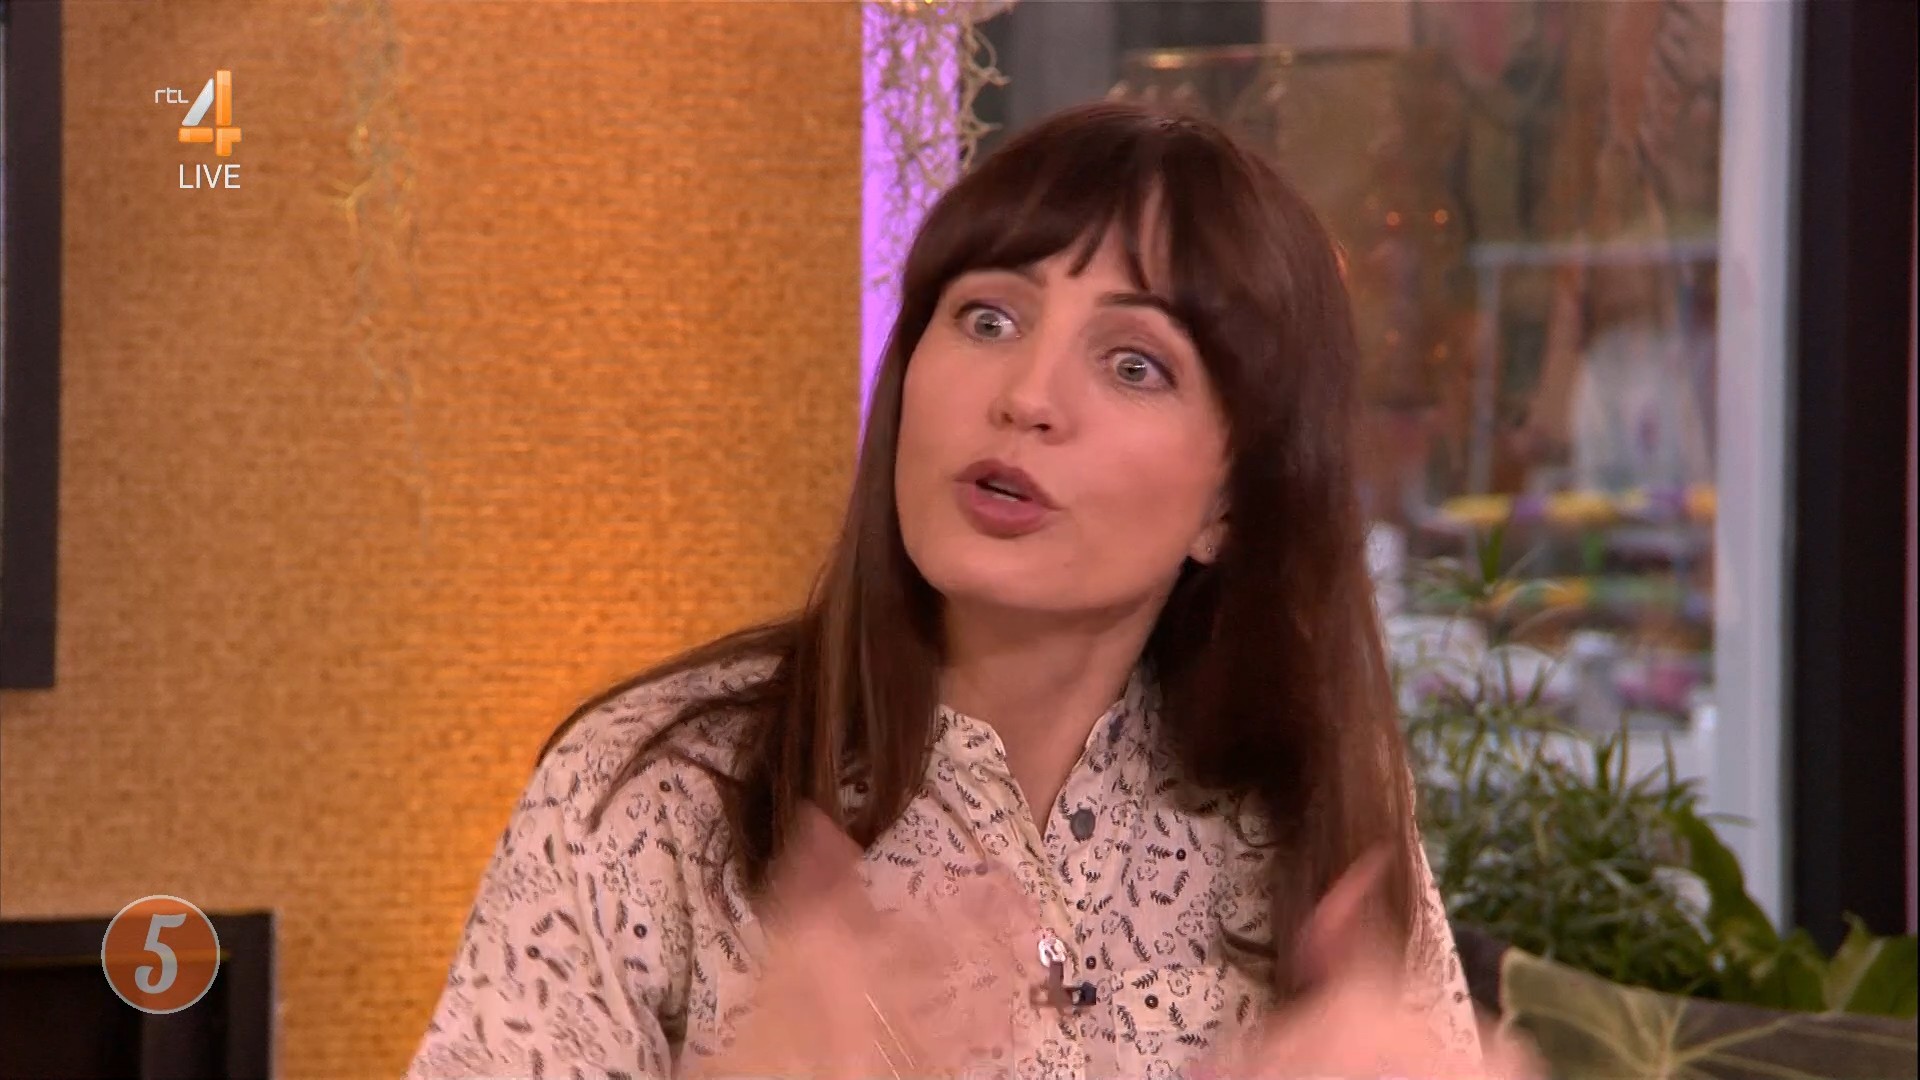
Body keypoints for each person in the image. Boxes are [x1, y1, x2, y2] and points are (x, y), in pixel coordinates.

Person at [408, 101, 1521, 1079]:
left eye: (1134, 363)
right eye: (989, 319)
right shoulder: (657, 791)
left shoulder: (1309, 821)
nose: (1027, 395)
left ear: (1231, 503)